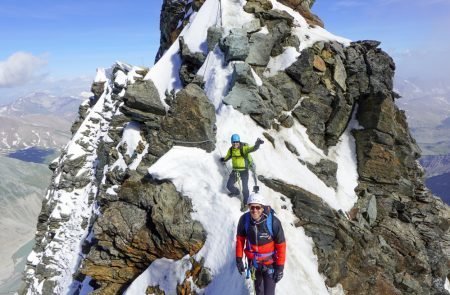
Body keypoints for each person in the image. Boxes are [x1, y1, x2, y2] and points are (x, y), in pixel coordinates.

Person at [235, 193, 286, 295]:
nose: (255, 210)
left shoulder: (273, 222)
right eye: (252, 207)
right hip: (254, 264)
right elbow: (240, 240)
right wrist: (239, 259)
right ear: (249, 207)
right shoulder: (244, 221)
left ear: (262, 208)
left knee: (269, 293)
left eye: (258, 207)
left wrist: (280, 268)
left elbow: (281, 246)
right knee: (259, 292)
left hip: (270, 264)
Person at [220, 134, 263, 206]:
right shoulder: (231, 150)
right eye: (233, 142)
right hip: (235, 171)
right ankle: (236, 192)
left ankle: (246, 202)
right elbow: (227, 157)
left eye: (236, 142)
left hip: (244, 171)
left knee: (245, 188)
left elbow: (253, 149)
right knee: (229, 185)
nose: (235, 144)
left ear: (239, 141)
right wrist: (223, 160)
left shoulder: (244, 148)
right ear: (231, 142)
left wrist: (257, 144)